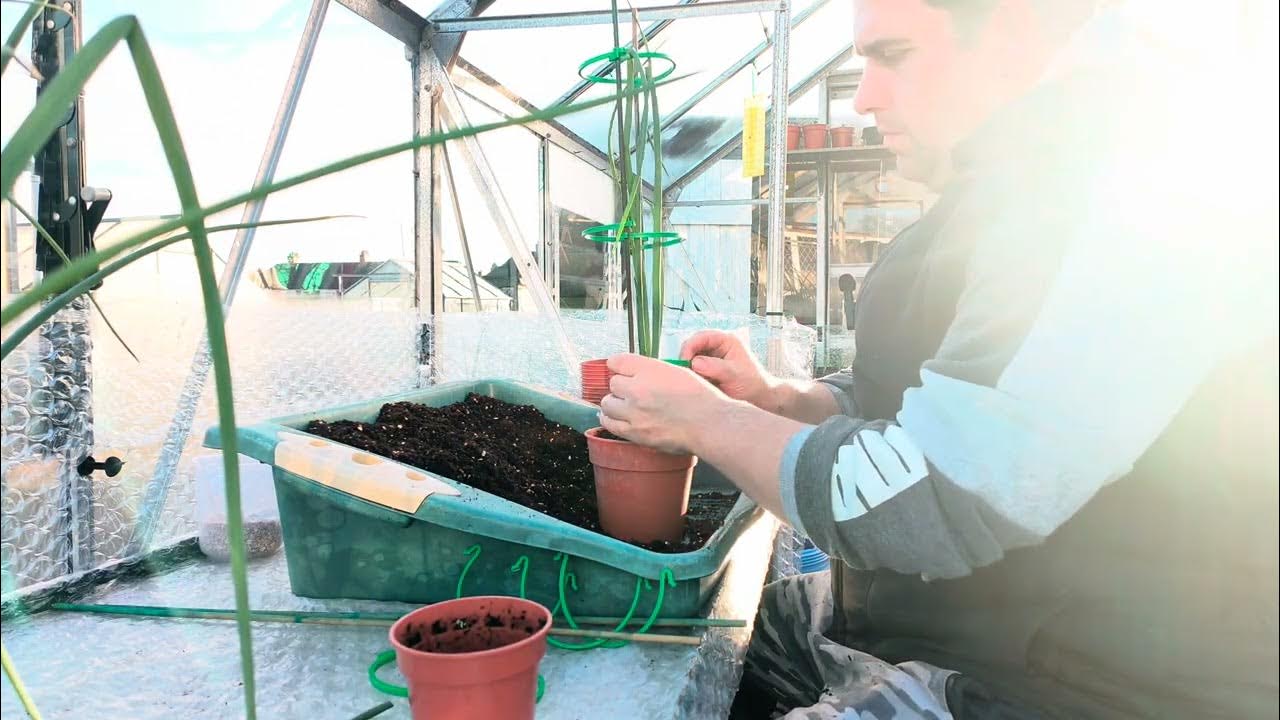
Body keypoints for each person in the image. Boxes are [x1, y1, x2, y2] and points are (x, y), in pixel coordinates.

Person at [597, 0, 1278, 717]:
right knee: (719, 630)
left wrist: (709, 422)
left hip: (1076, 678)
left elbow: (939, 492)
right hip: (950, 616)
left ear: (1014, 29)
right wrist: (780, 399)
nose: (864, 97)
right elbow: (922, 394)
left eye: (894, 55)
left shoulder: (1121, 210)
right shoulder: (999, 195)